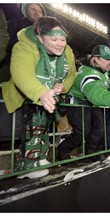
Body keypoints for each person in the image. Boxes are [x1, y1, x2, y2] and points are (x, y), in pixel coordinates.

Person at [2, 16, 77, 178]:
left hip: (50, 98)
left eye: (62, 39)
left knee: (45, 128)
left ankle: (40, 157)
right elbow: (21, 73)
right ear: (40, 39)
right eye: (54, 39)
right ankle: (28, 165)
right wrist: (40, 93)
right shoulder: (24, 47)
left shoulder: (68, 51)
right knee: (33, 126)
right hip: (27, 97)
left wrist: (64, 86)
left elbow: (72, 73)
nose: (60, 43)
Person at [57, 45, 110, 160]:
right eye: (107, 59)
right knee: (82, 132)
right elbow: (97, 94)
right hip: (77, 102)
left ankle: (90, 154)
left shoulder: (102, 69)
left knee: (100, 128)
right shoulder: (88, 73)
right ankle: (61, 151)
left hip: (90, 103)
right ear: (96, 59)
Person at [0, 4, 46, 82]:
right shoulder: (14, 24)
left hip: (30, 75)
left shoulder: (45, 35)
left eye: (39, 11)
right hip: (8, 68)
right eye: (33, 9)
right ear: (26, 10)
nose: (37, 13)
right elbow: (6, 44)